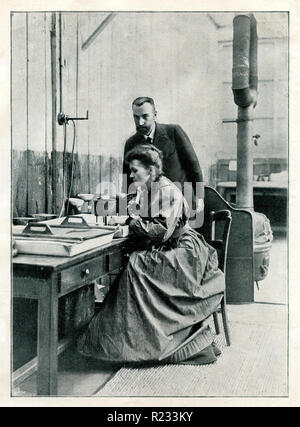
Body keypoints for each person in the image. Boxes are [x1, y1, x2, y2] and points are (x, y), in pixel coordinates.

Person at [78, 145, 225, 366]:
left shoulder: (167, 191)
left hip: (185, 251)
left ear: (151, 170)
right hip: (171, 246)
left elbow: (159, 232)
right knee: (136, 262)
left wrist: (129, 221)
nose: (132, 174)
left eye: (136, 170)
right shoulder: (147, 189)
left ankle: (139, 343)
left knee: (136, 266)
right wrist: (127, 211)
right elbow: (140, 213)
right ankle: (128, 338)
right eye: (131, 170)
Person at [122, 97, 204, 224]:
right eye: (136, 117)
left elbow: (193, 165)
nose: (140, 122)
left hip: (182, 204)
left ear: (155, 115)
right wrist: (127, 208)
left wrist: (199, 197)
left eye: (145, 116)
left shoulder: (173, 132)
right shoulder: (131, 143)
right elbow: (128, 179)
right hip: (152, 209)